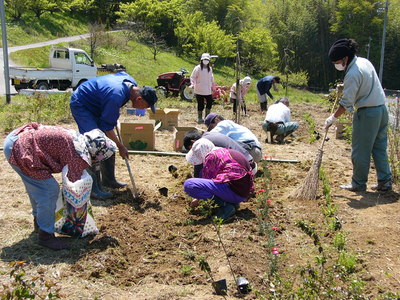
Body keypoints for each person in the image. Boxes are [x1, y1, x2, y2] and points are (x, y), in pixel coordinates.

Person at [3, 122, 116, 250]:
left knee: (39, 188)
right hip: (21, 149)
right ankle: (46, 236)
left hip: (16, 141)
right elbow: (73, 188)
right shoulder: (76, 154)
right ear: (95, 155)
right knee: (49, 191)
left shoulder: (75, 140)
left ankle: (40, 224)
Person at [70, 71, 158, 199]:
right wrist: (120, 146)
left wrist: (112, 113)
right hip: (82, 104)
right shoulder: (115, 96)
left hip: (99, 103)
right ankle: (94, 188)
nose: (144, 109)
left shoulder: (131, 84)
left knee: (107, 142)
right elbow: (107, 127)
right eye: (145, 106)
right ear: (139, 99)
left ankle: (109, 180)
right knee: (95, 144)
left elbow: (120, 74)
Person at [324, 38, 392, 192]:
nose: (336, 65)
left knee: (361, 150)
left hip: (367, 113)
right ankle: (385, 181)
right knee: (379, 148)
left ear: (345, 58)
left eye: (336, 62)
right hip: (381, 110)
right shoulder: (364, 62)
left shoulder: (353, 73)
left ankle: (358, 183)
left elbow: (346, 103)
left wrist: (332, 118)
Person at [184, 139, 254, 220]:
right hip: (241, 193)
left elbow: (207, 185)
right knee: (202, 174)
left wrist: (197, 199)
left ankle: (225, 206)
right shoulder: (224, 152)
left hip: (234, 192)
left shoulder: (211, 157)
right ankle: (231, 203)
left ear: (201, 153)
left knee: (190, 185)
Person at [183, 129, 257, 177]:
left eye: (192, 149)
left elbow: (202, 165)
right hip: (250, 160)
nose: (195, 152)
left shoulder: (204, 144)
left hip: (243, 170)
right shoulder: (209, 135)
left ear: (193, 142)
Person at [190, 53, 216, 124]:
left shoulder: (210, 69)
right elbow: (193, 77)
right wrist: (192, 84)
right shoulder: (197, 68)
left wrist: (213, 86)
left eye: (207, 59)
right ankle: (200, 118)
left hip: (207, 89)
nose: (206, 61)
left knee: (210, 102)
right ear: (201, 60)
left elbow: (211, 78)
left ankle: (207, 117)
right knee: (200, 104)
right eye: (204, 59)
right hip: (199, 89)